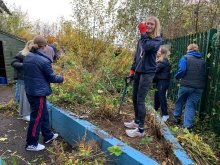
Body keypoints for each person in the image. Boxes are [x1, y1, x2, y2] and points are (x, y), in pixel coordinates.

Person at [23, 35, 64, 151]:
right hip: (38, 93)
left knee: (43, 113)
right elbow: (52, 77)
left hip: (31, 90)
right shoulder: (43, 60)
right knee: (36, 118)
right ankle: (31, 144)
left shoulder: (28, 56)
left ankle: (48, 136)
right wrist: (61, 78)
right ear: (45, 46)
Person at [124, 16, 162, 138]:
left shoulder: (157, 40)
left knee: (140, 100)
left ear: (155, 26)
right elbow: (137, 57)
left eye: (152, 24)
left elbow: (147, 47)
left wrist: (143, 32)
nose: (149, 26)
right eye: (147, 23)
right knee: (134, 98)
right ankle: (136, 121)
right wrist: (131, 70)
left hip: (148, 73)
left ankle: (140, 130)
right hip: (138, 72)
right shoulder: (141, 39)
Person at [173, 43, 206, 132]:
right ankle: (187, 126)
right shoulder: (202, 60)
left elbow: (182, 70)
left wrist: (177, 77)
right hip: (199, 87)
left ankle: (176, 118)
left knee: (180, 100)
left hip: (186, 85)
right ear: (196, 50)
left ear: (188, 50)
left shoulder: (185, 57)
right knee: (191, 105)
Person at [11, 40, 34, 121]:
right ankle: (25, 115)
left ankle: (28, 112)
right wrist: (24, 65)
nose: (33, 45)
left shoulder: (33, 54)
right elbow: (13, 63)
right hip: (22, 79)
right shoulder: (21, 53)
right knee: (24, 97)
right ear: (28, 45)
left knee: (29, 97)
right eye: (32, 44)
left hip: (30, 79)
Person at [154, 45, 171, 122]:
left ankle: (165, 114)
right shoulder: (161, 60)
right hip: (160, 81)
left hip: (162, 82)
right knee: (157, 96)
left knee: (161, 97)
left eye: (158, 51)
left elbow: (154, 71)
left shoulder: (162, 62)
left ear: (162, 53)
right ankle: (155, 110)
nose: (157, 52)